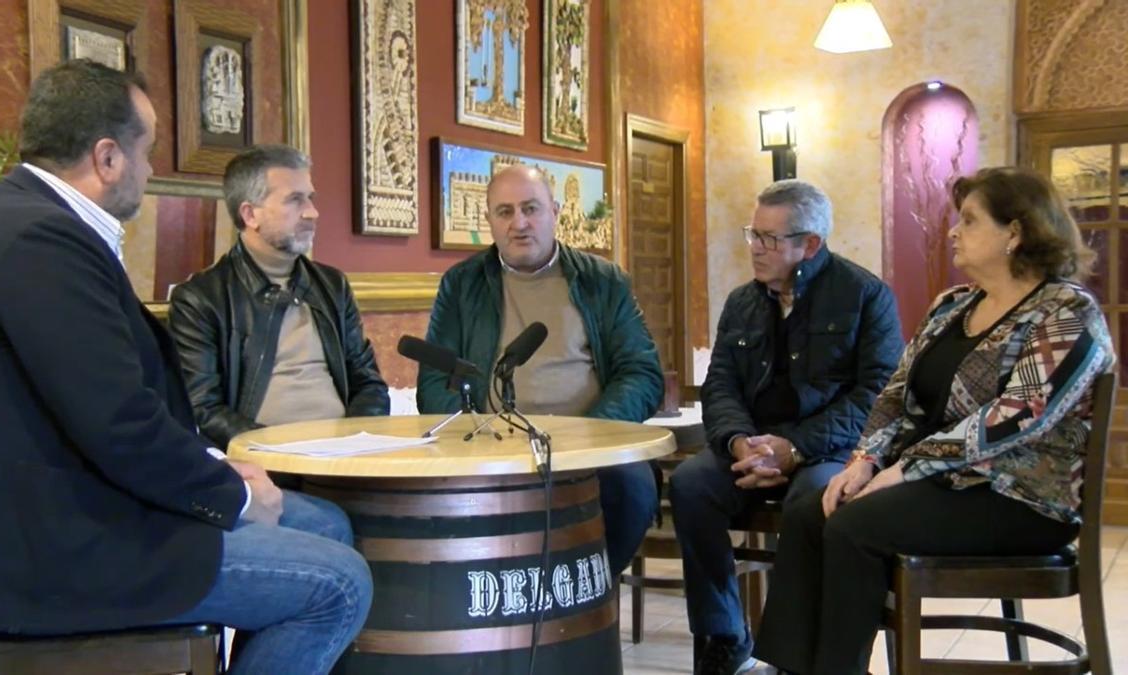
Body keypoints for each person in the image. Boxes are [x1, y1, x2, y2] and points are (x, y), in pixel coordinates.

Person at [0, 60, 371, 673]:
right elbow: (120, 424)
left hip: (75, 505)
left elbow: (117, 411)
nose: (151, 169)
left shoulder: (25, 221)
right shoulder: (37, 242)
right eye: (147, 150)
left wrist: (222, 468)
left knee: (323, 523)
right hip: (58, 545)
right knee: (340, 583)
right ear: (107, 158)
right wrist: (233, 495)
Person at [752, 166, 1114, 675]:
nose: (953, 231)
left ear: (1015, 232)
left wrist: (904, 469)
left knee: (855, 525)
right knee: (811, 512)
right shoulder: (952, 306)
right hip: (944, 483)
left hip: (1023, 499)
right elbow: (896, 394)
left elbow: (1015, 416)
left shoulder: (1066, 312)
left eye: (969, 220)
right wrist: (864, 461)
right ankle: (790, 667)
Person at [669, 179, 903, 674]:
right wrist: (737, 443)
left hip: (828, 450)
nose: (755, 248)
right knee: (690, 484)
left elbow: (876, 399)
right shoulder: (742, 302)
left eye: (769, 239)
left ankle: (787, 659)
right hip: (752, 445)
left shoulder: (865, 296)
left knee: (812, 502)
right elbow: (721, 387)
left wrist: (793, 447)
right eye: (752, 234)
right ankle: (724, 633)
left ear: (810, 244)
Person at [417, 164, 663, 576]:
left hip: (590, 447)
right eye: (505, 212)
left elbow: (642, 373)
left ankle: (586, 598)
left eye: (531, 208)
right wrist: (473, 435)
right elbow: (435, 379)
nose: (520, 223)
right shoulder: (462, 285)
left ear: (556, 211)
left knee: (632, 488)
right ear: (490, 221)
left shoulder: (603, 282)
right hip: (490, 446)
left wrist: (594, 433)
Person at [169, 144, 388, 457]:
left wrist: (354, 442)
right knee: (326, 511)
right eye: (294, 200)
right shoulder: (202, 299)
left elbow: (370, 384)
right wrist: (282, 452)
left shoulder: (332, 285)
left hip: (347, 460)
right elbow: (202, 410)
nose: (313, 212)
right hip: (268, 465)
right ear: (250, 214)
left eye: (310, 197)